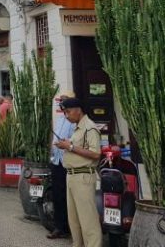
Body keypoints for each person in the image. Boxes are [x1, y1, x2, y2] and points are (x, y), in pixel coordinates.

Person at [54, 97, 102, 247]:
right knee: (74, 220)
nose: (67, 116)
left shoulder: (89, 127)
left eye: (68, 112)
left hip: (83, 176)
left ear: (78, 110)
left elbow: (95, 154)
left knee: (88, 220)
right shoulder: (77, 128)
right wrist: (67, 144)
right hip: (72, 176)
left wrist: (70, 147)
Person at [47, 91, 77, 240]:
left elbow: (75, 141)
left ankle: (71, 228)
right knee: (57, 195)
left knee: (68, 197)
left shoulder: (75, 121)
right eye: (61, 100)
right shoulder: (59, 118)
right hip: (57, 161)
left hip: (68, 161)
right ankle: (59, 227)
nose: (62, 103)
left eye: (65, 100)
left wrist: (67, 143)